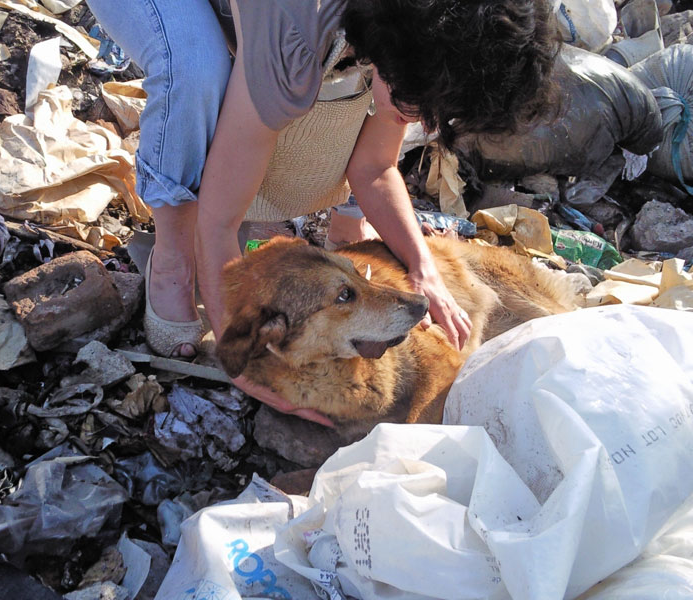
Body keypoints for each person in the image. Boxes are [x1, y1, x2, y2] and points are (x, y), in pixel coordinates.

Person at [86, 0, 559, 426]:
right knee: (196, 66)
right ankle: (171, 262)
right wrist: (242, 365)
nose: (423, 120)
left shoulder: (415, 24)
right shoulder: (296, 28)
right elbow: (218, 221)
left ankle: (347, 223)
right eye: (424, 103)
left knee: (345, 83)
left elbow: (375, 167)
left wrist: (422, 268)